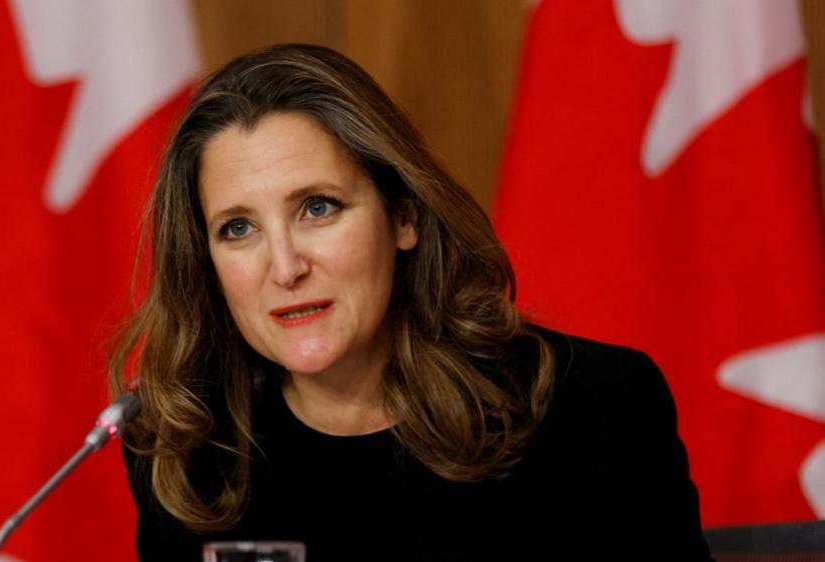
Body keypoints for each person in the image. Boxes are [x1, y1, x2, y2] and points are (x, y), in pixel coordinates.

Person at [111, 43, 712, 561]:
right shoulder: (189, 454)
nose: (286, 267)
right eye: (238, 229)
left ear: (404, 215)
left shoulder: (595, 407)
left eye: (318, 208)